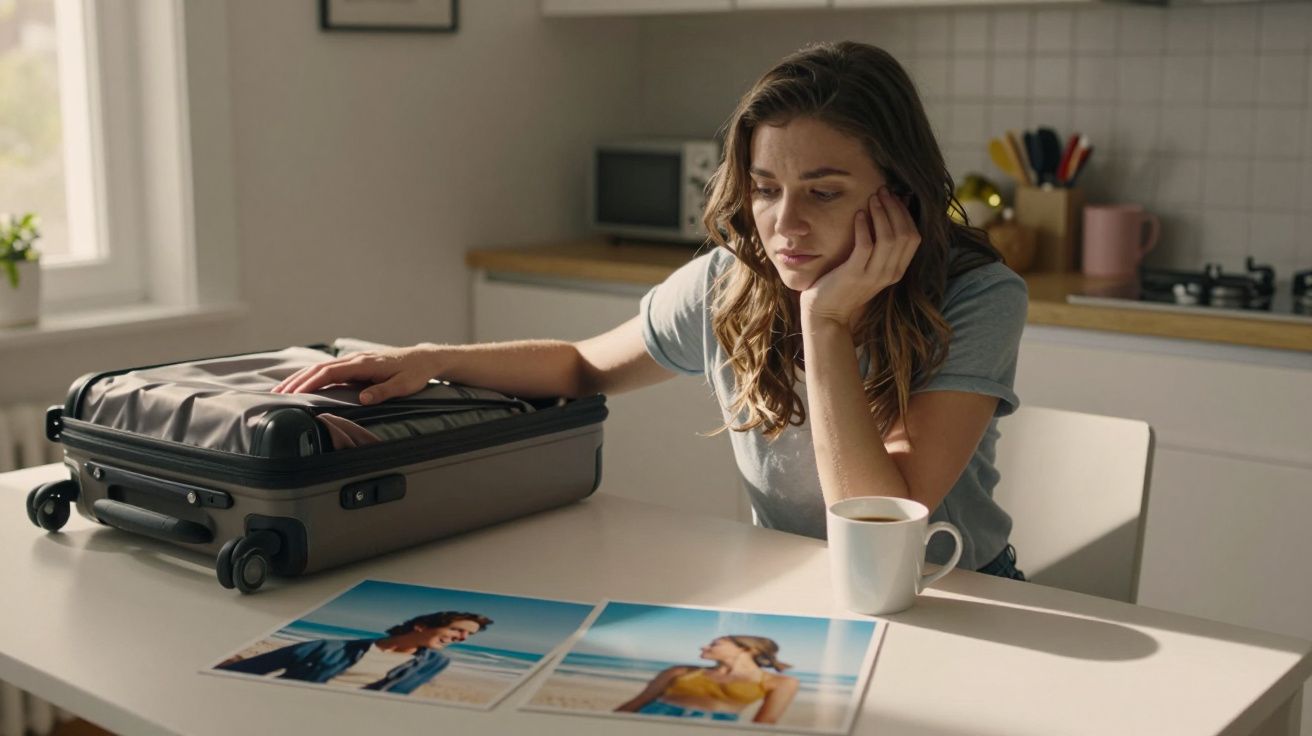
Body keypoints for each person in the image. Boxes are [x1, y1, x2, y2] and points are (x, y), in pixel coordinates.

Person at [273, 40, 1027, 580]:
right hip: (803, 589)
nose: (784, 225)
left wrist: (824, 323)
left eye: (824, 192)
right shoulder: (731, 281)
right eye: (765, 188)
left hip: (966, 600)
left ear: (901, 193)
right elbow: (581, 365)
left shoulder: (977, 296)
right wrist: (435, 358)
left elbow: (880, 527)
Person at [215, 610, 492, 694]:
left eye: (469, 635)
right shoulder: (326, 647)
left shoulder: (435, 662)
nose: (463, 638)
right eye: (458, 631)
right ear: (421, 626)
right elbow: (242, 673)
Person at [615, 636, 798, 723]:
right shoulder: (679, 671)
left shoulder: (781, 682)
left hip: (715, 727)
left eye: (714, 644)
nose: (704, 646)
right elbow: (639, 701)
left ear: (746, 649)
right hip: (655, 718)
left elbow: (765, 723)